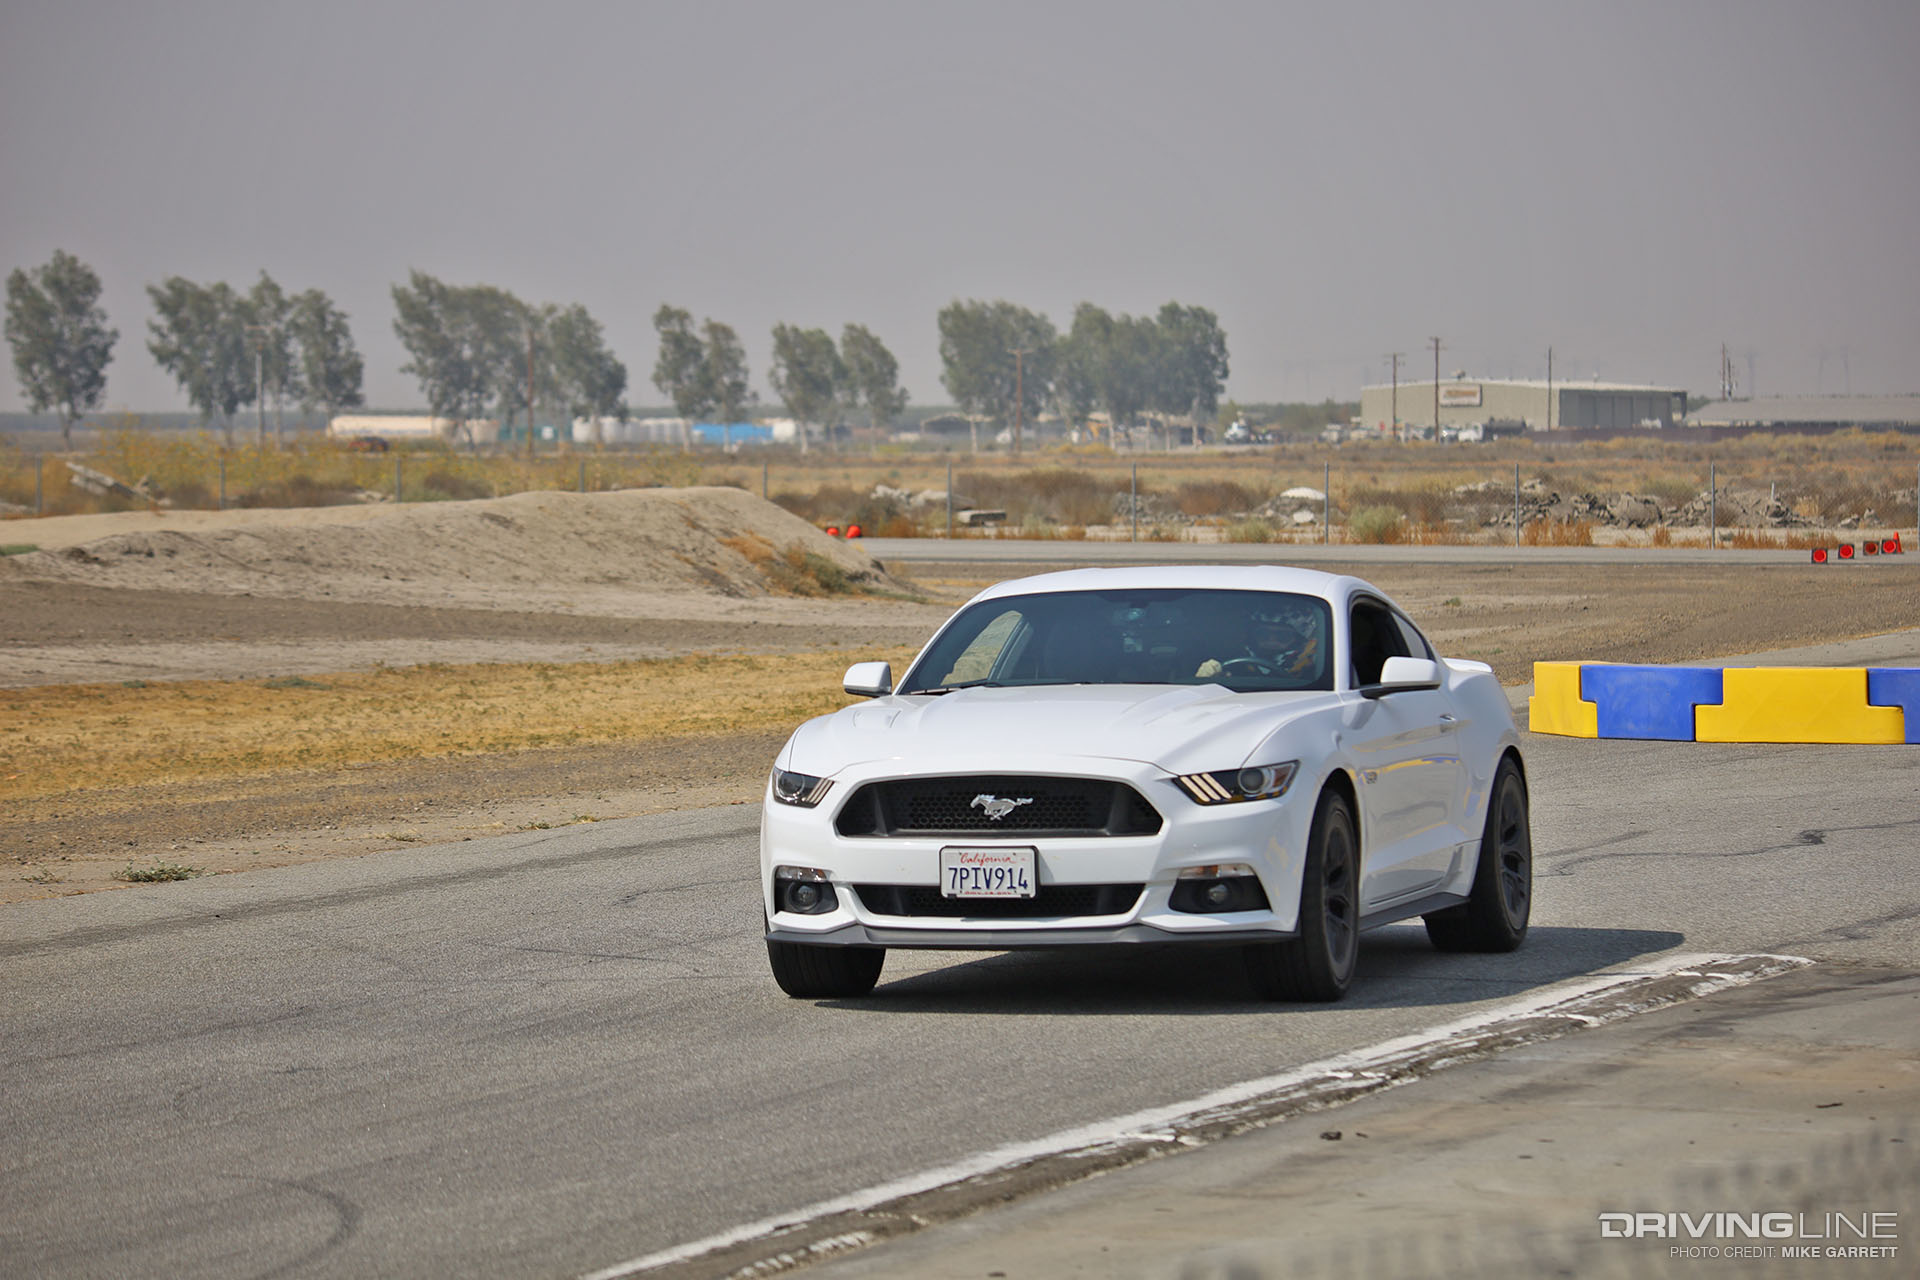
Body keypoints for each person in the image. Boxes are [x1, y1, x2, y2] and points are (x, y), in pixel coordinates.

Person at [1196, 600, 1322, 680]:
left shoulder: (1316, 670)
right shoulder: (1234, 663)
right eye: (1263, 634)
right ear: (1252, 636)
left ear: (1297, 639)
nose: (1272, 641)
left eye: (1282, 636)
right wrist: (1207, 678)